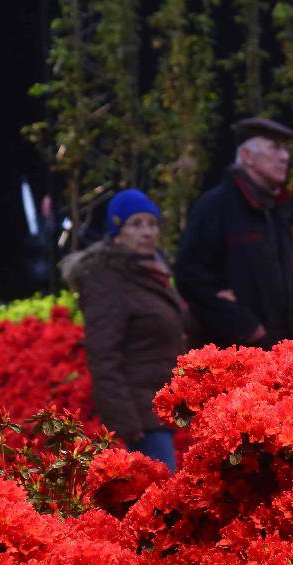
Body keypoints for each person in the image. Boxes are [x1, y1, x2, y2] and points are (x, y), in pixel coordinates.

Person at [60, 189, 187, 471]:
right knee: (161, 499)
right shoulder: (107, 280)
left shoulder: (153, 271)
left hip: (164, 408)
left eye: (152, 224)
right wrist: (126, 423)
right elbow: (103, 355)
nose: (147, 232)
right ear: (117, 231)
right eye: (136, 224)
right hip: (142, 417)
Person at [176, 117, 293, 349]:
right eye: (275, 147)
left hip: (279, 355)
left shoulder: (275, 211)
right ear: (247, 156)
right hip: (233, 357)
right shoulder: (215, 206)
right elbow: (189, 278)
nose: (285, 156)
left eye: (285, 149)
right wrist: (246, 327)